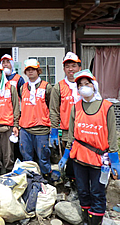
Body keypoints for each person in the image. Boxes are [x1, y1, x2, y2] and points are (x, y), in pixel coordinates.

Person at [58, 70, 119, 225]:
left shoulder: (106, 107)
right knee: (83, 191)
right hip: (79, 159)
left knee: (97, 192)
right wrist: (65, 156)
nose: (83, 87)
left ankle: (95, 222)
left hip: (99, 161)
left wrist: (115, 160)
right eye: (80, 85)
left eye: (87, 84)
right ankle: (86, 220)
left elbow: (112, 135)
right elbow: (71, 135)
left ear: (94, 86)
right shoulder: (76, 107)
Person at [50, 52, 82, 189]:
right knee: (68, 157)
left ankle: (82, 181)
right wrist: (54, 130)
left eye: (74, 66)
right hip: (67, 130)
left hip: (84, 128)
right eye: (68, 66)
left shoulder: (86, 84)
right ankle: (70, 181)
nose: (71, 69)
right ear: (64, 69)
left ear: (79, 68)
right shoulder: (58, 87)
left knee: (83, 157)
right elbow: (54, 110)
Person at [18, 59, 53, 180]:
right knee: (26, 157)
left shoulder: (46, 87)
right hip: (25, 128)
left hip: (41, 129)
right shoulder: (22, 87)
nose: (30, 72)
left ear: (38, 71)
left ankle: (47, 179)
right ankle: (31, 180)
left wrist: (53, 127)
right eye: (28, 70)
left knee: (43, 157)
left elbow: (52, 107)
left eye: (33, 69)